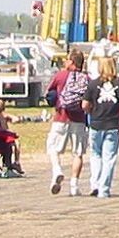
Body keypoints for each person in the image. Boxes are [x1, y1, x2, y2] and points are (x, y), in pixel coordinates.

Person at [85, 54, 119, 197]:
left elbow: (85, 104)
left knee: (95, 155)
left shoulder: (92, 84)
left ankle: (95, 183)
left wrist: (91, 111)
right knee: (109, 158)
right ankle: (104, 189)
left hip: (96, 123)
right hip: (113, 124)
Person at [47, 49, 91, 195]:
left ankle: (57, 171)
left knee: (53, 148)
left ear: (71, 62)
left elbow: (49, 92)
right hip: (79, 119)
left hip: (61, 117)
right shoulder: (86, 78)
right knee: (78, 153)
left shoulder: (61, 75)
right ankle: (74, 186)